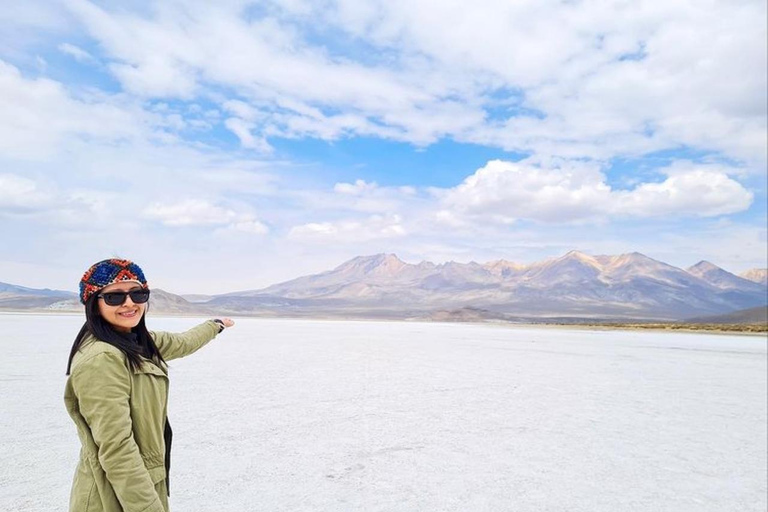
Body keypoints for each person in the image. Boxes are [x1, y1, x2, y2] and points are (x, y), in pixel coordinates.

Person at [64, 258, 234, 512]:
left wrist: (215, 326)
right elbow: (117, 449)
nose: (129, 303)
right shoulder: (102, 359)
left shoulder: (138, 342)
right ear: (93, 303)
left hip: (137, 487)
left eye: (138, 294)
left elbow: (182, 342)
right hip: (113, 497)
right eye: (114, 297)